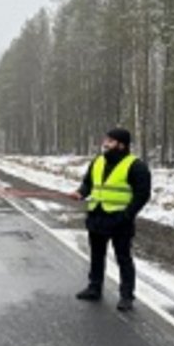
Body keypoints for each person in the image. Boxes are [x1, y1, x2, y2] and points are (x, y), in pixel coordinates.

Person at [70, 128, 151, 312]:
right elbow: (88, 183)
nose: (105, 143)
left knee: (123, 258)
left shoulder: (136, 166)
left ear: (121, 145)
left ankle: (126, 296)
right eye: (106, 139)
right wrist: (80, 193)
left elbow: (142, 195)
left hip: (120, 221)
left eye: (110, 141)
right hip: (97, 217)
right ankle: (94, 288)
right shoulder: (98, 161)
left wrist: (127, 215)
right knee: (96, 256)